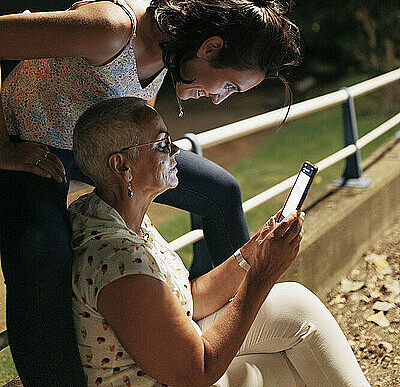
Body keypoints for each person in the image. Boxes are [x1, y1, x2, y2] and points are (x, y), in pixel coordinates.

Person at [0, 0, 301, 386]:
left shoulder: (172, 47)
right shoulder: (110, 27)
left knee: (220, 190)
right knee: (43, 252)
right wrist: (2, 147)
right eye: (227, 86)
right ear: (210, 48)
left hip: (95, 148)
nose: (218, 99)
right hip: (30, 143)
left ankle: (192, 329)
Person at [69, 96, 370, 387]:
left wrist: (251, 253)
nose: (175, 151)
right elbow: (196, 372)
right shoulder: (119, 261)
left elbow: (187, 299)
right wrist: (263, 275)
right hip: (178, 376)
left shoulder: (111, 214)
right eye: (162, 144)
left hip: (170, 366)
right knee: (301, 369)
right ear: (122, 166)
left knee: (296, 310)